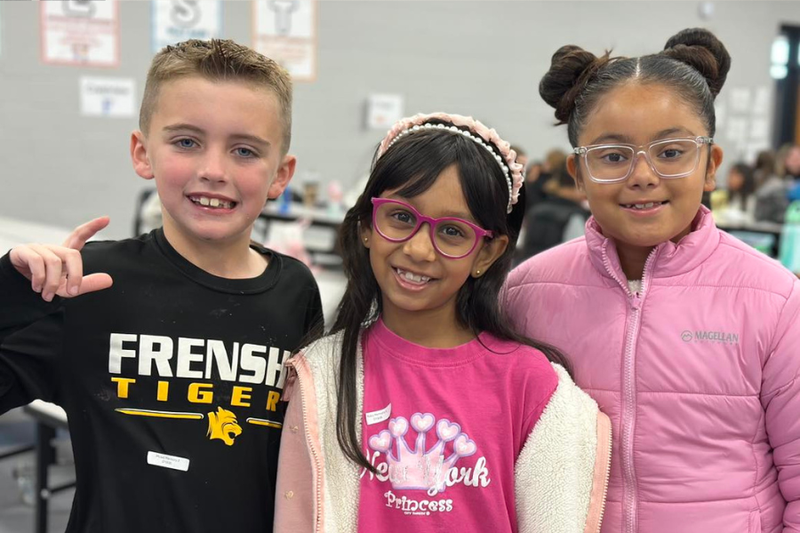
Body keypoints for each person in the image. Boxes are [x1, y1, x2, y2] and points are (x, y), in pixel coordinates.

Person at [0, 39, 323, 533]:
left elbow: (304, 452)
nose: (213, 171)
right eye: (187, 142)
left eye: (244, 150)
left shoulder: (295, 292)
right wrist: (9, 293)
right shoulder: (89, 283)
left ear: (280, 175)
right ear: (142, 152)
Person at [504, 28, 800, 533]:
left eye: (671, 151)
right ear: (578, 173)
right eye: (613, 156)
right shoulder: (526, 292)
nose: (642, 175)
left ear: (710, 165)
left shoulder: (774, 299)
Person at [274, 113, 611, 533]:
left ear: (486, 253)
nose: (418, 249)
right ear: (366, 225)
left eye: (451, 231)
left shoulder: (533, 386)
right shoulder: (321, 374)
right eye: (400, 217)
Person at [517, 160, 590, 261]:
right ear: (576, 187)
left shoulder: (535, 210)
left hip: (529, 268)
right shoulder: (574, 216)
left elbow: (522, 245)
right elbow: (577, 256)